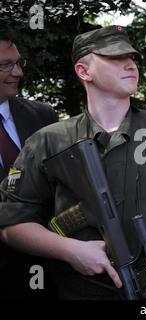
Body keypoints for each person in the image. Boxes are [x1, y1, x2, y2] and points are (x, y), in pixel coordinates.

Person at [0, 25, 146, 300]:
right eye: (114, 58)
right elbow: (12, 225)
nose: (129, 65)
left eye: (132, 57)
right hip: (86, 289)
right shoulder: (48, 142)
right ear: (83, 71)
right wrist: (72, 250)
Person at [0, 25, 58, 300]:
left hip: (45, 266)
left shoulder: (43, 117)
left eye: (19, 63)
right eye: (6, 65)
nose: (19, 73)